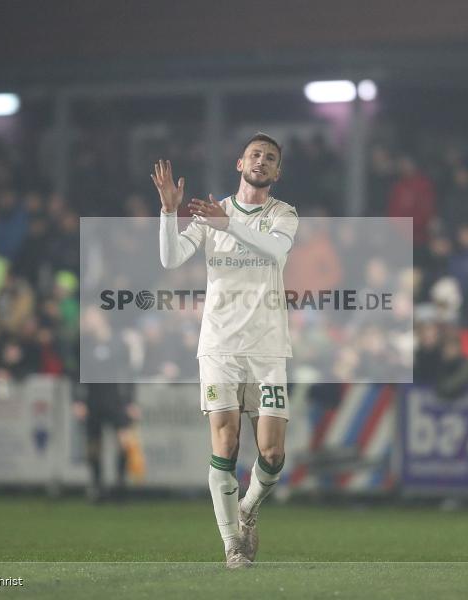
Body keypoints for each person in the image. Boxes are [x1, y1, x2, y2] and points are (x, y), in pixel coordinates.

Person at [152, 133, 298, 569]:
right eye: (255, 154)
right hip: (219, 346)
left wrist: (227, 225)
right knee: (226, 442)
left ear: (277, 172)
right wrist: (169, 211)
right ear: (240, 163)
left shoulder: (282, 214)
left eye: (270, 158)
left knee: (272, 455)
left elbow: (274, 252)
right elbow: (170, 259)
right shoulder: (214, 211)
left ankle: (249, 507)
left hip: (268, 347)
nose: (262, 161)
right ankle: (233, 544)